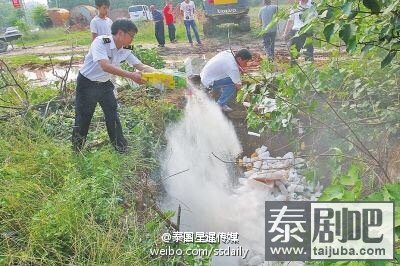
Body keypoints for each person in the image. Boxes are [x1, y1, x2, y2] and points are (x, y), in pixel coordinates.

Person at [72, 19, 155, 153]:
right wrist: (131, 75)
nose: (132, 39)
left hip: (105, 84)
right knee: (83, 117)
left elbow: (140, 66)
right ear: (121, 33)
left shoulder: (126, 48)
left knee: (112, 114)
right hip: (87, 83)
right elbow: (105, 65)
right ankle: (77, 150)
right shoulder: (100, 41)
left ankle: (121, 148)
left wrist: (161, 74)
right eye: (131, 35)